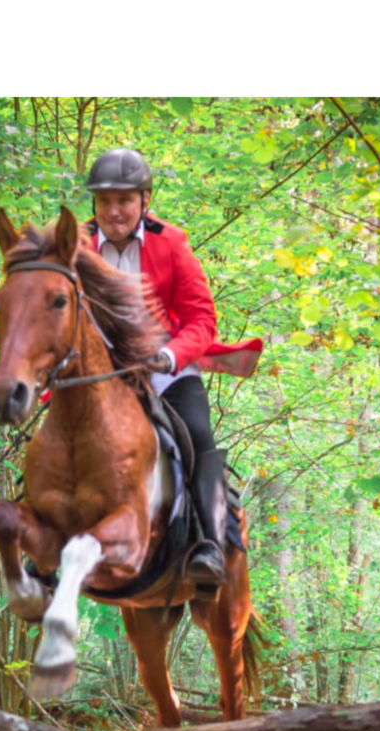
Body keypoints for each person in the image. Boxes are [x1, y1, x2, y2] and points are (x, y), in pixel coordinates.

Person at [85, 148, 262, 591]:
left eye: (124, 200)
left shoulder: (171, 243)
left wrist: (170, 357)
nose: (113, 211)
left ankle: (210, 545)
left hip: (165, 369)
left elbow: (202, 319)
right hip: (97, 375)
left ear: (144, 199)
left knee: (199, 437)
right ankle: (45, 549)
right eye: (104, 201)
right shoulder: (75, 244)